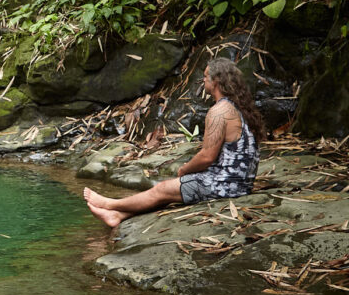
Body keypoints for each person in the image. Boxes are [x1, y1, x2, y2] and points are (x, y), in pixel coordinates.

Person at [84, 57, 265, 227]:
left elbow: (207, 157)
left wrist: (184, 170)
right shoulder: (239, 108)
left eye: (205, 77)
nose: (203, 81)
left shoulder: (219, 111)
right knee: (169, 193)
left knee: (162, 188)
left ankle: (110, 204)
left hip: (225, 185)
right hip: (240, 184)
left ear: (216, 81)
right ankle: (118, 215)